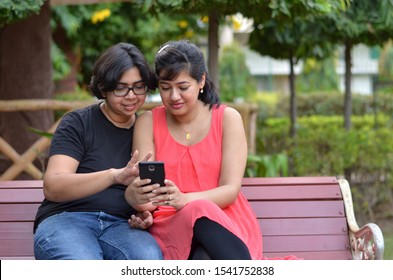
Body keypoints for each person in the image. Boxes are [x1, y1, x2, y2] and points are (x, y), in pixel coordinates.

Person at [126, 40, 262, 260]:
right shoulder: (148, 122)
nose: (174, 97)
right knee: (197, 218)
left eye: (183, 87)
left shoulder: (227, 119)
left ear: (201, 81)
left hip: (225, 221)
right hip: (171, 223)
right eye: (165, 87)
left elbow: (230, 190)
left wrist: (185, 199)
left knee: (203, 252)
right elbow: (147, 195)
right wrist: (137, 200)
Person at [33, 43, 163, 260]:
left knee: (149, 259)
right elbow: (53, 186)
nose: (131, 96)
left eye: (139, 87)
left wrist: (146, 214)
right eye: (120, 88)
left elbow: (149, 194)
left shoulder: (146, 129)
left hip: (122, 226)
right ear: (103, 88)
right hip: (67, 220)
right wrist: (114, 176)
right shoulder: (78, 123)